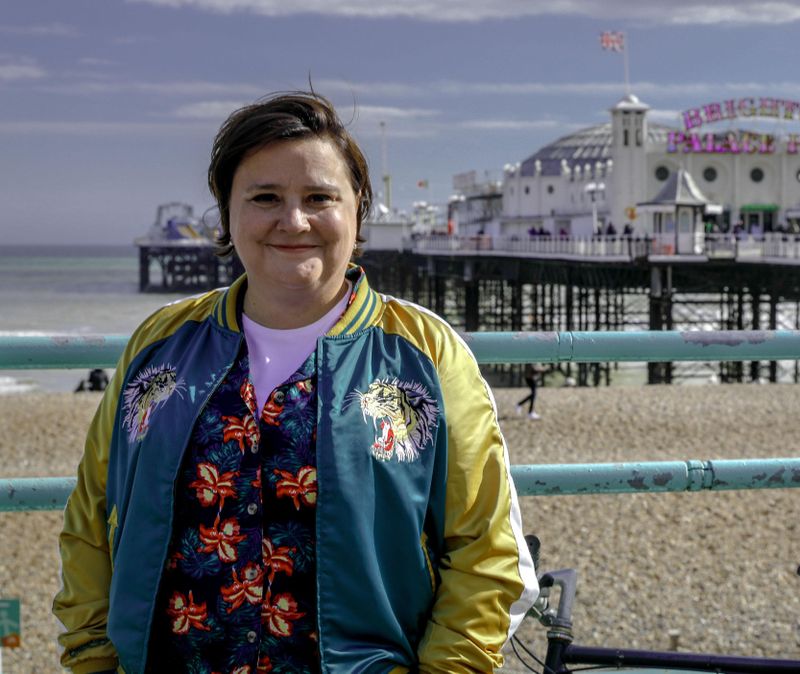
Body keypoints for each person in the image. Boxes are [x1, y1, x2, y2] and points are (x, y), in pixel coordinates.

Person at [54, 91, 538, 674]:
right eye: (264, 197)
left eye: (318, 197)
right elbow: (92, 520)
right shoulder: (162, 344)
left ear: (358, 207)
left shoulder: (423, 352)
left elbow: (485, 550)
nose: (293, 221)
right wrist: (94, 660)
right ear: (227, 212)